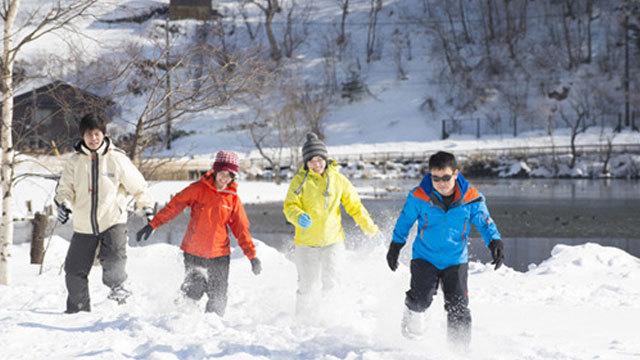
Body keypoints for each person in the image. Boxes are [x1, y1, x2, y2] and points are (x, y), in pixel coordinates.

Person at [386, 150, 504, 346]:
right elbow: (405, 221)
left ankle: (458, 352)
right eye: (436, 178)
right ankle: (411, 310)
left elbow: (484, 223)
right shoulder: (419, 196)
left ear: (456, 174)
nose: (441, 183)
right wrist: (396, 245)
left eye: (446, 178)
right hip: (425, 257)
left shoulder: (471, 197)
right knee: (420, 301)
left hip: (455, 260)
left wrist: (494, 242)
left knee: (458, 308)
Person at [136, 150, 261, 316]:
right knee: (193, 290)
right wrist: (153, 224)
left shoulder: (232, 199)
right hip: (194, 251)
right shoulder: (198, 189)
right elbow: (174, 206)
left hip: (219, 254)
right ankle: (180, 318)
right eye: (222, 174)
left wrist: (252, 256)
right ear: (215, 171)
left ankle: (211, 329)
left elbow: (241, 230)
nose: (224, 179)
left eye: (229, 176)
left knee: (218, 297)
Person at [55, 113, 154, 313]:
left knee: (114, 261)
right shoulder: (74, 162)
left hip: (112, 220)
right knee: (73, 271)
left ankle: (121, 302)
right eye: (89, 134)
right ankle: (78, 311)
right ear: (82, 136)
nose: (94, 139)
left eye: (97, 134)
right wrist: (64, 204)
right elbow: (64, 190)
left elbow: (138, 186)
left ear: (103, 134)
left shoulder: (117, 158)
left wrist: (147, 208)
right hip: (84, 225)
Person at [283, 132, 384, 318]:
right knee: (308, 285)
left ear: (326, 159)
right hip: (306, 243)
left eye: (319, 159)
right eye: (311, 160)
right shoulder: (299, 181)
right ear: (306, 162)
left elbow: (356, 207)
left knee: (333, 282)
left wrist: (372, 230)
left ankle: (331, 318)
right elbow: (289, 206)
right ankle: (303, 321)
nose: (316, 164)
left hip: (333, 241)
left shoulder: (339, 180)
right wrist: (297, 216)